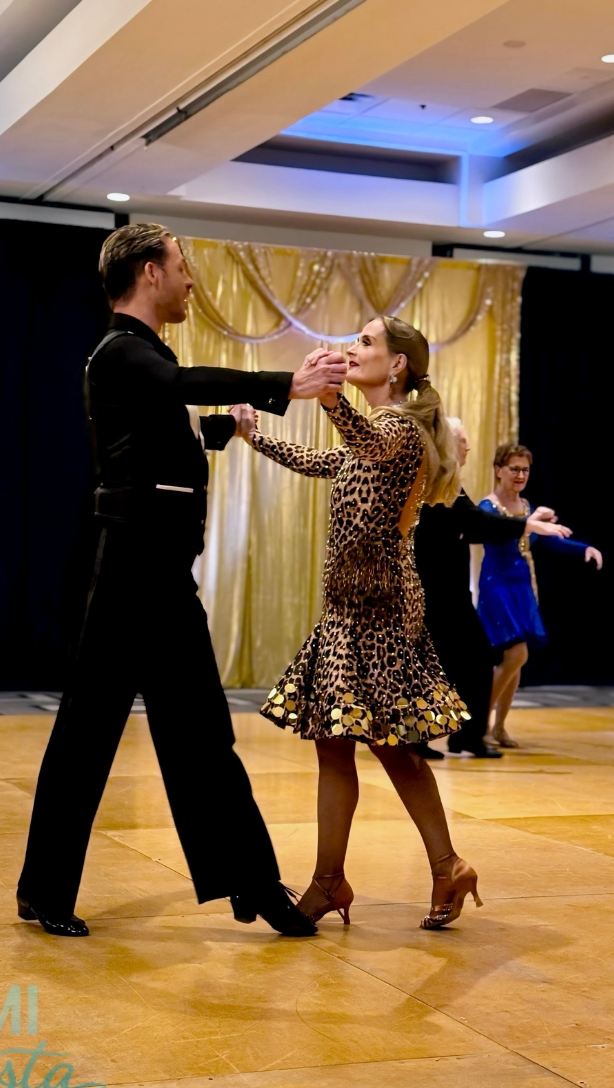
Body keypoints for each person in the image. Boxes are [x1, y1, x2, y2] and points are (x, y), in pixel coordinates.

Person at [16, 223, 346, 938]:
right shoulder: (120, 353)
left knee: (202, 733)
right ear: (148, 274)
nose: (191, 279)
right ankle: (44, 889)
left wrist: (224, 431)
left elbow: (163, 437)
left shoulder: (143, 360)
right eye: (182, 267)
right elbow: (178, 387)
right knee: (88, 735)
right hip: (127, 572)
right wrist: (288, 381)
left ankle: (252, 883)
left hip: (160, 574)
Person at [237, 316, 482, 932]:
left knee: (390, 744)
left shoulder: (400, 429)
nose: (353, 349)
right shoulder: (371, 431)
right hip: (347, 609)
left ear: (397, 365)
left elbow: (366, 447)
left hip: (381, 610)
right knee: (334, 740)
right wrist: (255, 436)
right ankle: (331, 878)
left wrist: (329, 398)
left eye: (366, 343)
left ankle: (446, 864)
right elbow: (325, 461)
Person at [415, 420, 571, 760]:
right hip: (433, 588)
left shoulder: (446, 482)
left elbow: (470, 530)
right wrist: (524, 524)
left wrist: (528, 524)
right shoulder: (431, 480)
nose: (469, 448)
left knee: (476, 659)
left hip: (450, 589)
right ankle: (432, 737)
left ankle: (469, 736)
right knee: (440, 662)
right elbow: (474, 523)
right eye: (463, 441)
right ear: (445, 443)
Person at [479, 443, 603, 748]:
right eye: (514, 469)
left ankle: (499, 727)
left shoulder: (527, 508)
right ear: (498, 470)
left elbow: (546, 541)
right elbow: (495, 535)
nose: (520, 475)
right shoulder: (488, 507)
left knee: (516, 659)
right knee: (517, 653)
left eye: (525, 470)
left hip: (522, 586)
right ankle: (478, 722)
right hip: (497, 586)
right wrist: (529, 525)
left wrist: (583, 548)